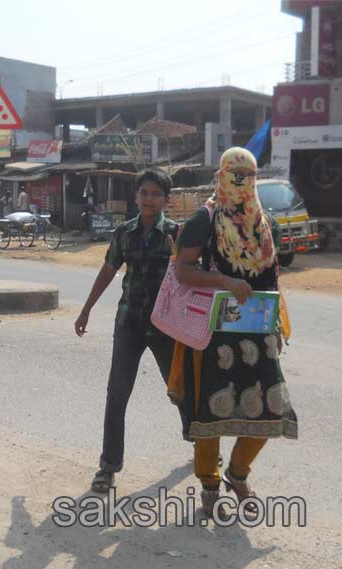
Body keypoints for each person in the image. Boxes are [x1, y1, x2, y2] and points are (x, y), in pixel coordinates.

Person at [170, 147, 297, 517]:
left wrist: (275, 324)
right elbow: (183, 270)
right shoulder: (203, 220)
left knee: (272, 408)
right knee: (209, 414)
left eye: (248, 174)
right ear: (222, 175)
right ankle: (209, 485)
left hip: (258, 333)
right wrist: (223, 279)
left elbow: (272, 277)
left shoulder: (264, 222)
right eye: (234, 173)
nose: (241, 181)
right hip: (213, 333)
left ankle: (237, 474)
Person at [74, 168, 181, 493]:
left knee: (180, 390)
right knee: (116, 395)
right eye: (144, 193)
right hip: (129, 324)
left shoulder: (177, 234)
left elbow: (192, 278)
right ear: (136, 197)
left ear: (166, 199)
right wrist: (87, 308)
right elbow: (108, 271)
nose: (149, 199)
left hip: (166, 327)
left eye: (155, 194)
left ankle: (201, 449)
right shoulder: (123, 233)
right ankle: (108, 467)